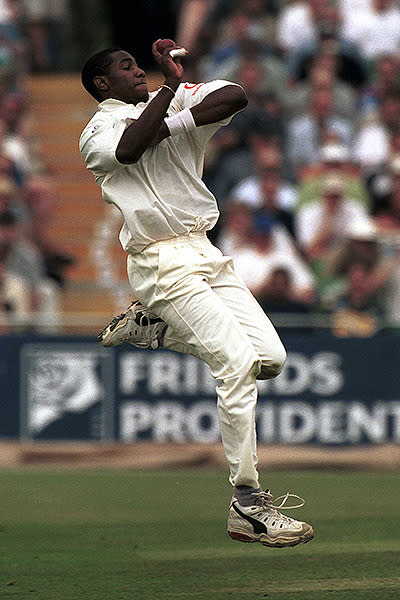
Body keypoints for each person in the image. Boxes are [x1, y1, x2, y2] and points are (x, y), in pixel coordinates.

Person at [79, 43, 314, 548]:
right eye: (125, 67)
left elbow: (235, 95)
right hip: (159, 260)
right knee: (234, 362)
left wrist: (173, 114)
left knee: (269, 359)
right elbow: (128, 149)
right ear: (102, 84)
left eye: (136, 64)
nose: (137, 69)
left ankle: (154, 329)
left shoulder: (173, 101)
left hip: (206, 250)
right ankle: (247, 504)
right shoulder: (97, 130)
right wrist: (169, 96)